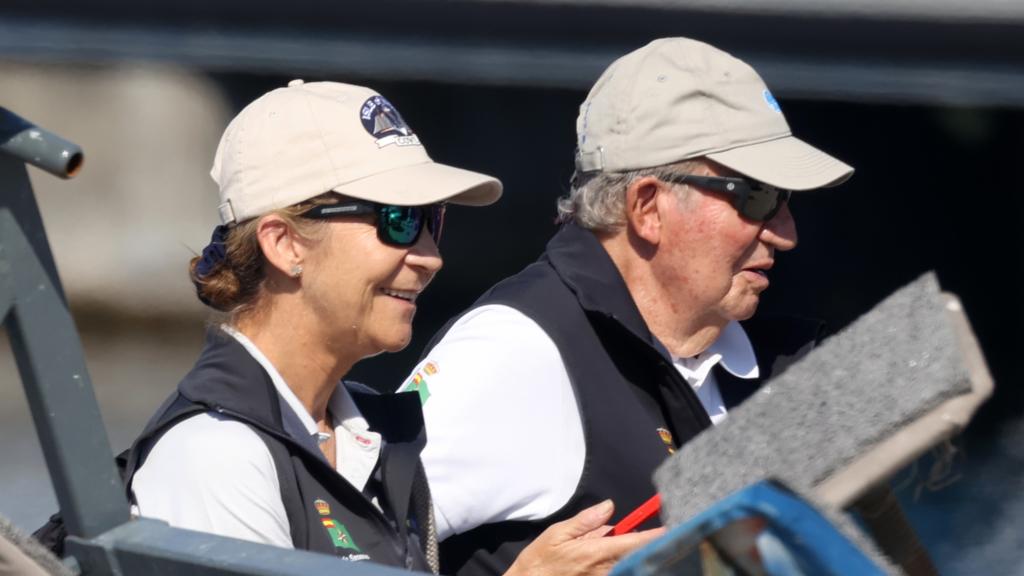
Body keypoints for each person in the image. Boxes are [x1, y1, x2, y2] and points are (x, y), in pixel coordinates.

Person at [124, 80, 660, 575]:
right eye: (398, 220)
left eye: (433, 222)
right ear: (284, 243)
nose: (430, 257)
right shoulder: (214, 457)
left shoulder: (372, 438)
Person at [401, 37, 855, 576]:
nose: (786, 233)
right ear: (647, 208)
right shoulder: (517, 350)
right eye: (756, 197)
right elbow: (335, 553)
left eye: (786, 201)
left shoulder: (770, 365)